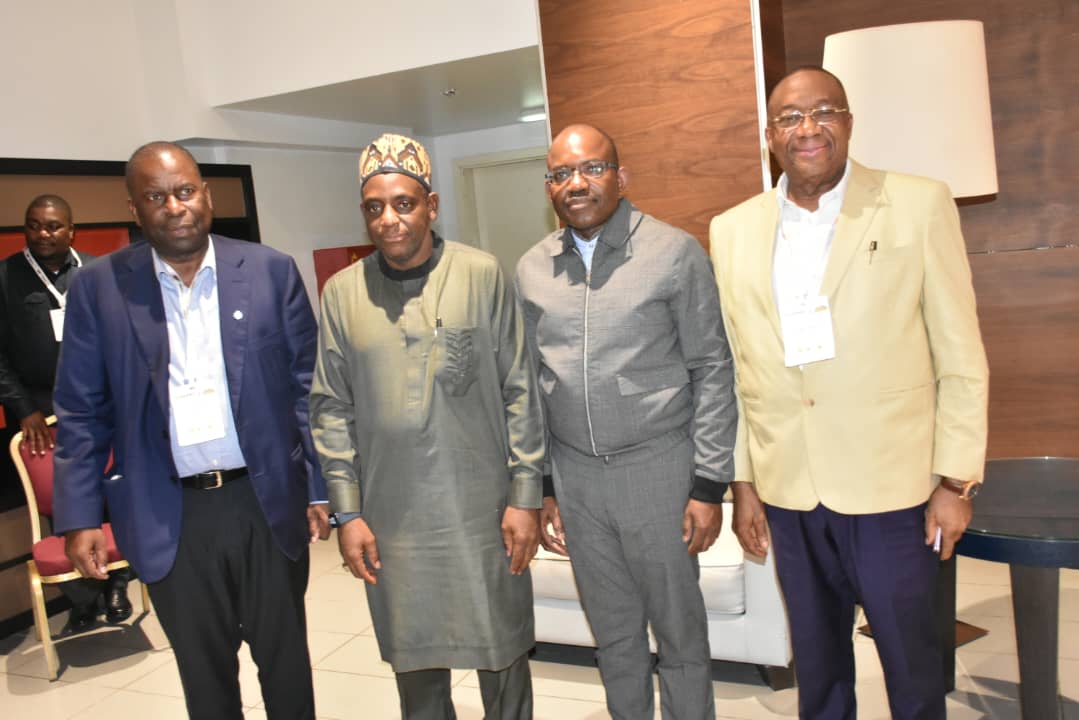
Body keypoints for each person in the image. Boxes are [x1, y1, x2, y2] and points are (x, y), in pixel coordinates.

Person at [709, 67, 990, 720]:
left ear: (849, 122)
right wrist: (744, 483)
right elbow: (739, 366)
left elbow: (960, 355)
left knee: (912, 667)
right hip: (789, 489)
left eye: (824, 111)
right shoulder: (732, 229)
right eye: (789, 117)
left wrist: (956, 481)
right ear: (770, 136)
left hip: (892, 487)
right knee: (819, 670)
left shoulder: (917, 203)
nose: (807, 128)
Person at [52, 141, 330, 719]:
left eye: (184, 191)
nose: (174, 207)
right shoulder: (99, 288)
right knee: (205, 679)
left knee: (286, 667)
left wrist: (321, 488)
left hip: (263, 502)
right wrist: (79, 518)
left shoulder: (270, 271)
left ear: (205, 195)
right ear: (134, 208)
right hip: (168, 512)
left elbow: (308, 390)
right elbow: (81, 410)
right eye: (156, 197)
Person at [309, 133, 544, 720]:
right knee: (415, 667)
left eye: (404, 203)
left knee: (502, 655)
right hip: (393, 519)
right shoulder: (342, 294)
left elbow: (520, 389)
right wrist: (348, 513)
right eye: (375, 208)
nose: (389, 219)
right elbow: (331, 408)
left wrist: (525, 496)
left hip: (482, 511)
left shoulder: (481, 274)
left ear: (431, 206)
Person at [514, 123, 737, 719]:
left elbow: (712, 367)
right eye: (561, 173)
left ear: (620, 177)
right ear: (549, 187)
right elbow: (531, 386)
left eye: (592, 168)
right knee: (613, 635)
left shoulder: (673, 252)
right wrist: (545, 485)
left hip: (658, 472)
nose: (576, 183)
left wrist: (708, 484)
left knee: (680, 634)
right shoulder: (532, 269)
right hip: (578, 481)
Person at [0, 194, 132, 632]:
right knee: (61, 504)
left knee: (111, 495)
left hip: (98, 407)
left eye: (53, 226)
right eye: (34, 225)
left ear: (71, 230)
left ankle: (116, 583)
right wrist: (23, 409)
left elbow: (120, 339)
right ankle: (84, 597)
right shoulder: (5, 277)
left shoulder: (97, 272)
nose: (43, 233)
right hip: (39, 416)